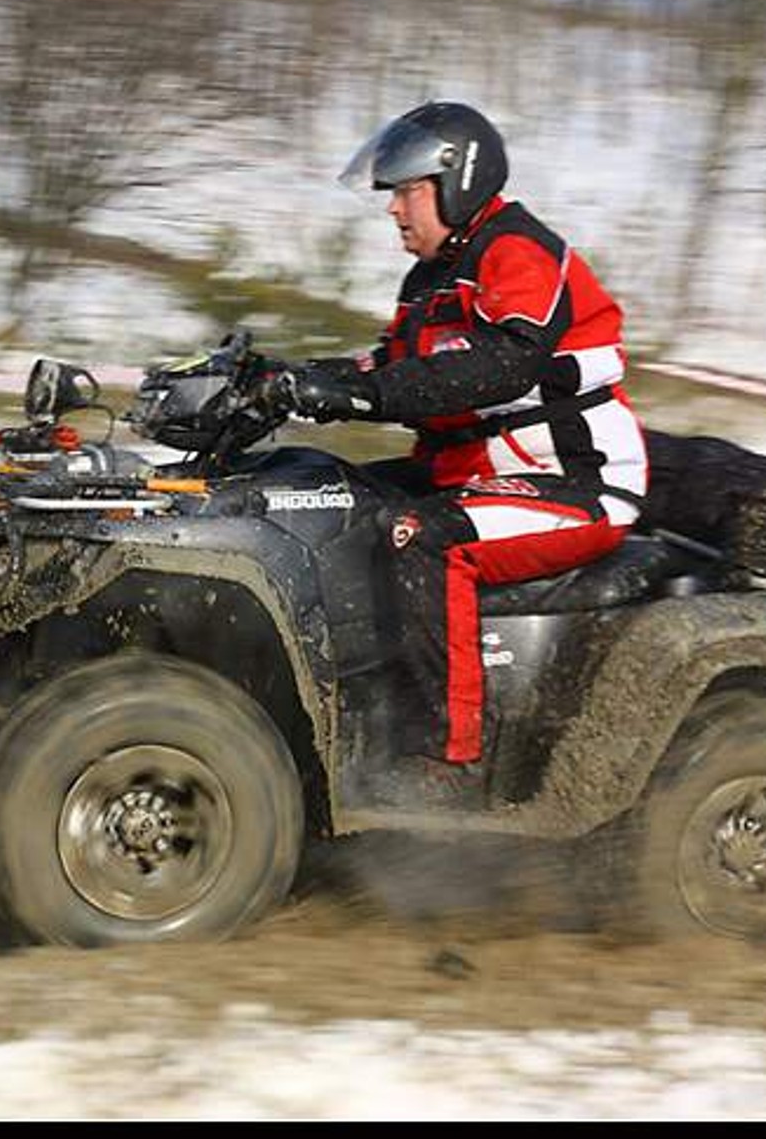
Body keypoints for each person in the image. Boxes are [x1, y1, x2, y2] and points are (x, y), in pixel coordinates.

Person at [271, 101, 647, 808]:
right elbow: (386, 365)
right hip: (475, 475)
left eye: (407, 191)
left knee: (421, 540)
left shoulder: (517, 252)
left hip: (573, 484)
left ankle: (447, 757)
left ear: (457, 183)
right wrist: (283, 380)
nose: (394, 210)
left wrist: (362, 397)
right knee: (316, 498)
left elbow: (500, 367)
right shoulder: (432, 279)